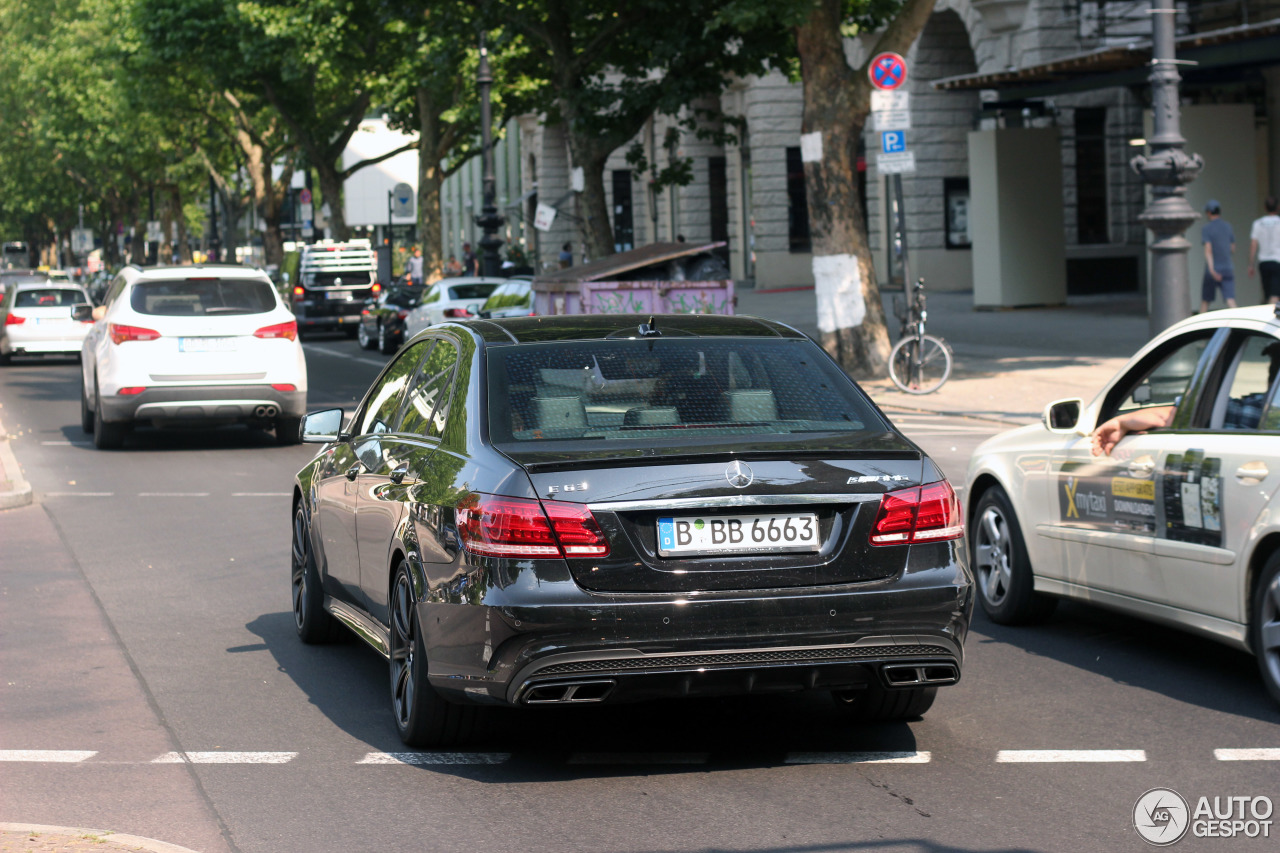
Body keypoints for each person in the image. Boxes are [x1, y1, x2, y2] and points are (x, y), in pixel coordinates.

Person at [1199, 199, 1236, 313]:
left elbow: (1208, 250)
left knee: (1205, 301)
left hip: (1213, 269)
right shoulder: (1228, 226)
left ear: (1209, 212)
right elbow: (1233, 248)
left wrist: (1212, 269)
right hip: (1227, 268)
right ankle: (1240, 324)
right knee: (1230, 300)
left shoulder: (1207, 228)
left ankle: (1198, 327)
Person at [1248, 196, 1280, 305]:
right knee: (1275, 294)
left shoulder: (1258, 223)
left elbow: (1253, 244)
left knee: (1267, 294)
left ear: (1265, 208)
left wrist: (1251, 264)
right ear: (1278, 207)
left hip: (1263, 262)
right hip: (1277, 260)